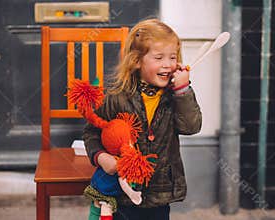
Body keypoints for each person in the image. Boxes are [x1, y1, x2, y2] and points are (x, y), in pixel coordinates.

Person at [83, 18, 202, 220]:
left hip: (160, 189)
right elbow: (92, 132)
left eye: (173, 57)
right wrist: (101, 157)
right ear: (136, 61)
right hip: (121, 191)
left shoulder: (176, 95)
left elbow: (191, 127)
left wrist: (183, 91)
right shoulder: (116, 95)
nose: (168, 65)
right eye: (159, 58)